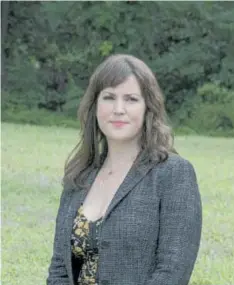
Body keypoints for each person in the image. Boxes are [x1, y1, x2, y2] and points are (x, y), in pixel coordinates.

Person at [46, 54, 202, 285]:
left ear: (148, 107)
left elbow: (172, 272)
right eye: (109, 97)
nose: (119, 109)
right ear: (95, 106)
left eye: (131, 99)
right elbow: (60, 268)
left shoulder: (173, 174)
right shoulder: (79, 176)